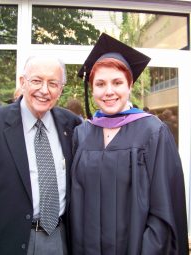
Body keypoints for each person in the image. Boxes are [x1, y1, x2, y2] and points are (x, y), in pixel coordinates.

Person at [70, 33, 188, 254]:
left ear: (130, 84)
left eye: (117, 82)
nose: (109, 91)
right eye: (100, 83)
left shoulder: (153, 132)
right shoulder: (82, 134)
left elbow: (163, 209)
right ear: (92, 88)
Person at [0, 55, 82, 255]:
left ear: (61, 89)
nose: (44, 90)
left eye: (53, 83)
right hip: (7, 243)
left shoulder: (72, 125)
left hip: (59, 240)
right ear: (22, 82)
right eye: (36, 81)